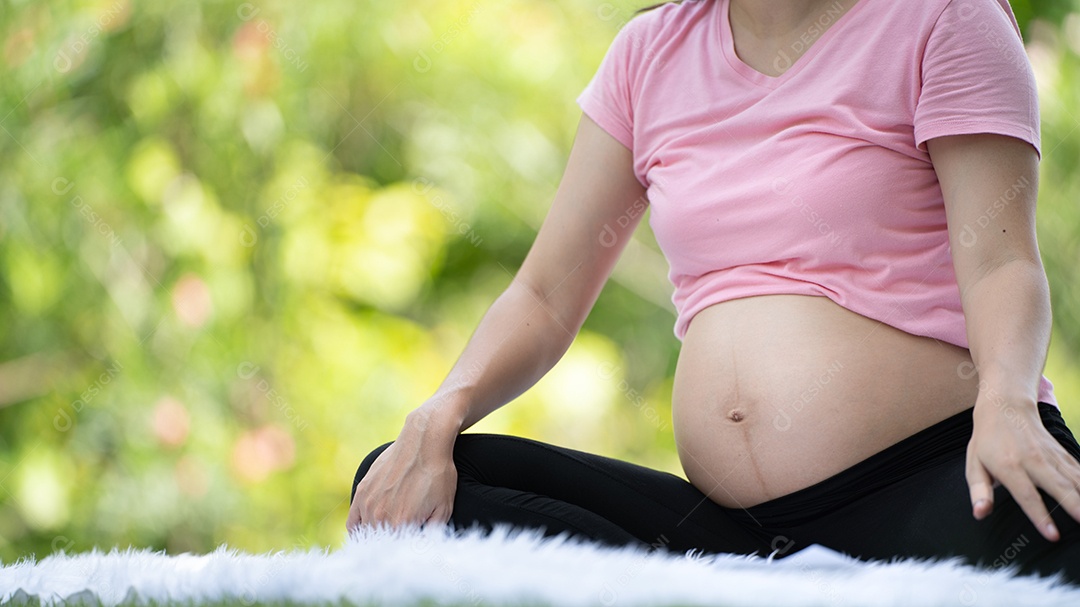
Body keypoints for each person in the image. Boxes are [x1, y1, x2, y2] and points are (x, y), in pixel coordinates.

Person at [348, 0, 1080, 583]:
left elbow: (1002, 264)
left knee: (1049, 541)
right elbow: (543, 294)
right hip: (739, 536)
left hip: (941, 473)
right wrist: (439, 413)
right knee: (428, 490)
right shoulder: (649, 55)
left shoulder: (943, 16)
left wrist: (1007, 401)